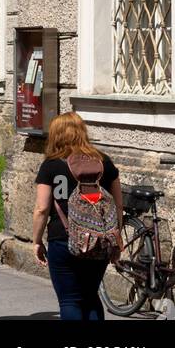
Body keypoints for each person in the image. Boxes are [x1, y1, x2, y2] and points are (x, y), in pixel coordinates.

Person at [33, 112, 123, 322]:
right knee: (90, 297)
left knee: (70, 300)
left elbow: (41, 208)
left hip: (62, 239)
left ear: (55, 135)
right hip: (99, 241)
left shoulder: (51, 165)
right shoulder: (104, 163)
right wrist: (116, 240)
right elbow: (118, 204)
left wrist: (36, 241)